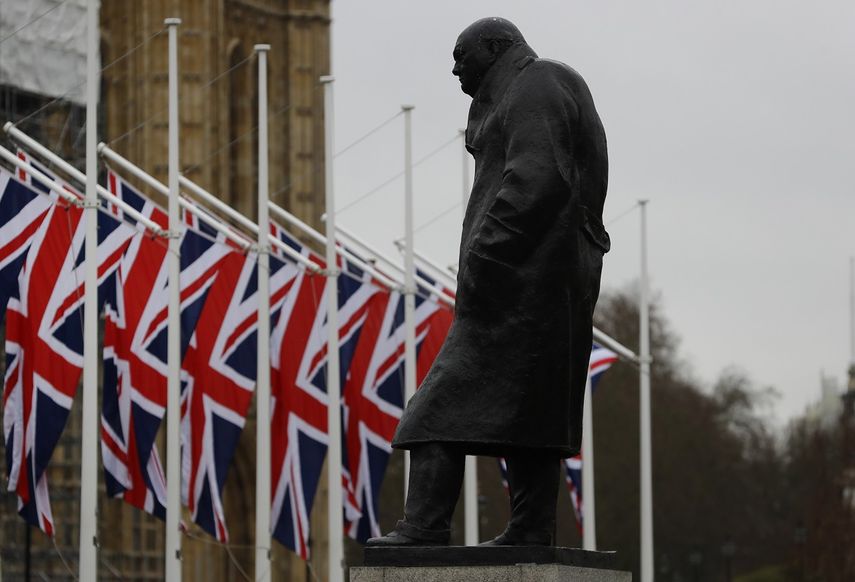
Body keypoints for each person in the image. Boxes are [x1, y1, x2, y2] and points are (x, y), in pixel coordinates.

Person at [369, 16, 610, 547]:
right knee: (533, 415)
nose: (454, 68)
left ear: (497, 48)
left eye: (462, 55)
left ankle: (425, 526)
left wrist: (486, 255)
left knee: (432, 412)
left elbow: (537, 179)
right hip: (541, 284)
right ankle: (530, 530)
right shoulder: (533, 87)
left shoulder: (536, 84)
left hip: (521, 284)